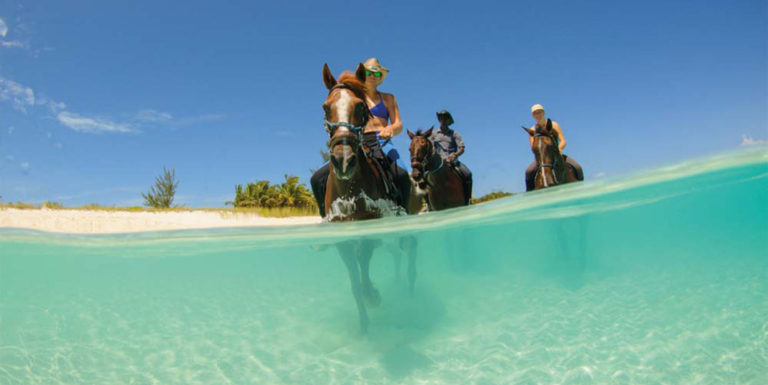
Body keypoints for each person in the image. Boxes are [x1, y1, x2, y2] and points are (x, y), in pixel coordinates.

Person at [311, 57, 411, 217]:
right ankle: (325, 216)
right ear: (363, 75)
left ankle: (405, 214)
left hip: (381, 141)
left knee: (403, 174)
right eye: (368, 72)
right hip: (357, 140)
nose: (372, 75)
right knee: (317, 178)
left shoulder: (388, 98)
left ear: (380, 77)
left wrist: (390, 129)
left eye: (376, 73)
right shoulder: (352, 95)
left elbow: (399, 124)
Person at [524, 104, 583, 191]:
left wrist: (558, 149)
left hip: (557, 154)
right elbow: (533, 148)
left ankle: (581, 187)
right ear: (533, 116)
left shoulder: (554, 124)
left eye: (539, 112)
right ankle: (529, 194)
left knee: (577, 167)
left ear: (543, 112)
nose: (538, 115)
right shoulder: (532, 130)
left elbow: (563, 141)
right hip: (541, 159)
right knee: (528, 171)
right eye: (535, 113)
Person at [429, 110, 472, 204]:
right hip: (439, 164)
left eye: (445, 118)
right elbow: (431, 148)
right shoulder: (433, 134)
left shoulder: (454, 134)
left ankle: (468, 199)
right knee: (425, 177)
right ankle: (428, 204)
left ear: (448, 120)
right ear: (439, 119)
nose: (443, 119)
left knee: (468, 173)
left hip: (453, 162)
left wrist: (455, 155)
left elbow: (462, 148)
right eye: (441, 117)